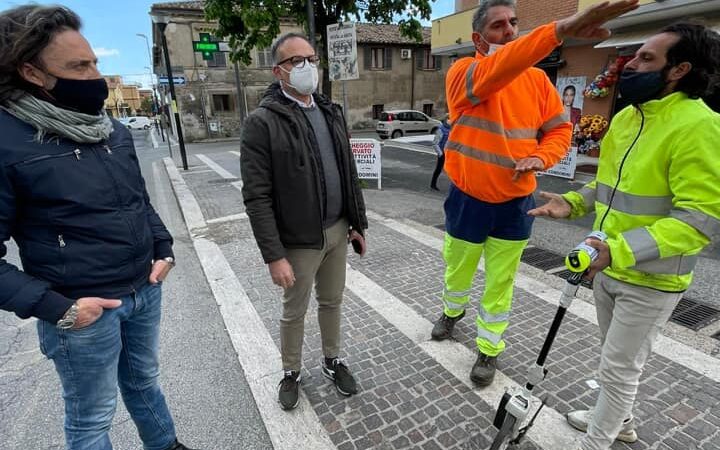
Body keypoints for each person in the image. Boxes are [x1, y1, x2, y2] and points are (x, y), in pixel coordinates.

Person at [0, 5, 196, 450]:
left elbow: (137, 201)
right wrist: (59, 308)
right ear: (31, 72)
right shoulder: (7, 140)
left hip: (143, 291)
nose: (95, 76)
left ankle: (165, 445)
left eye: (94, 63)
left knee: (145, 382)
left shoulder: (110, 130)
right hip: (82, 311)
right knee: (92, 417)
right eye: (78, 66)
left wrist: (163, 248)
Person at [529, 22, 720, 450]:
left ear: (679, 69)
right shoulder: (627, 117)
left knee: (619, 369)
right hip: (608, 266)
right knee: (613, 359)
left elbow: (697, 220)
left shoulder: (700, 126)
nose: (630, 64)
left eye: (646, 58)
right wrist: (574, 203)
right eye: (635, 56)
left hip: (652, 279)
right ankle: (624, 424)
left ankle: (597, 441)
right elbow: (608, 187)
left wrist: (618, 250)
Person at [431, 0, 639, 387]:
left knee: (500, 281)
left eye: (514, 23)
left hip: (515, 205)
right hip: (467, 199)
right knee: (457, 270)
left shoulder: (538, 81)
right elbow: (498, 69)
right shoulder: (464, 71)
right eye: (498, 26)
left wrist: (541, 156)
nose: (510, 31)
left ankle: (489, 349)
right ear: (479, 38)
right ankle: (451, 312)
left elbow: (560, 131)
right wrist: (558, 30)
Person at [240, 32, 368, 411]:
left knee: (332, 301)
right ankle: (291, 371)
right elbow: (256, 196)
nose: (307, 66)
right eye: (297, 61)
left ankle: (332, 360)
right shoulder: (262, 122)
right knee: (294, 309)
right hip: (297, 241)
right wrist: (273, 255)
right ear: (279, 70)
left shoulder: (330, 111)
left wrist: (357, 223)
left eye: (311, 58)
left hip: (337, 231)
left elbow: (348, 172)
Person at [430, 114, 451, 191]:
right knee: (438, 169)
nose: (451, 121)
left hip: (450, 153)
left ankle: (454, 187)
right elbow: (435, 143)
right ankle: (433, 184)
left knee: (453, 170)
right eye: (450, 119)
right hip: (442, 153)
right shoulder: (441, 129)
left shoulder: (452, 129)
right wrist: (440, 154)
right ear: (446, 119)